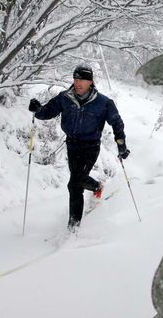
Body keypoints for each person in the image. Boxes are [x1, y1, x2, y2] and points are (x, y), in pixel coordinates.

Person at [28, 64, 129, 229]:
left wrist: (121, 144)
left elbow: (117, 123)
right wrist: (37, 110)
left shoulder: (103, 102)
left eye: (82, 79)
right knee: (76, 181)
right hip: (72, 145)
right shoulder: (65, 98)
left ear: (90, 82)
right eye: (75, 79)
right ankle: (96, 186)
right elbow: (48, 112)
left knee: (74, 183)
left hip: (91, 146)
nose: (78, 83)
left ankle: (73, 228)